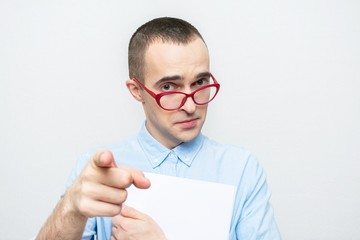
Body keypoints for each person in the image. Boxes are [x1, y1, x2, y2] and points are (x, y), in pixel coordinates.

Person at [35, 17, 281, 240]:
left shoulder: (242, 169)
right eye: (168, 87)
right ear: (136, 91)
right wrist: (70, 209)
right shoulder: (98, 171)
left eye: (200, 82)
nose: (191, 105)